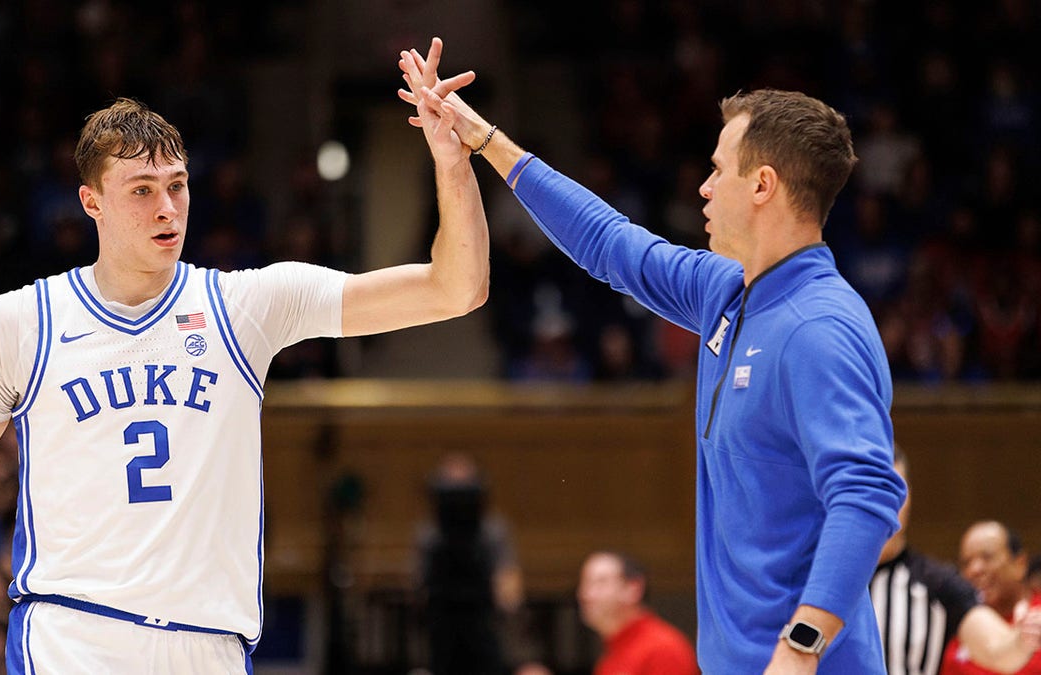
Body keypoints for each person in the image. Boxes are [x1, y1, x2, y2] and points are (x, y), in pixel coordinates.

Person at [0, 72, 490, 674]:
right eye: (142, 189)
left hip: (210, 646)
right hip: (72, 637)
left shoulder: (248, 307)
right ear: (92, 201)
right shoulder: (17, 324)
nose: (167, 208)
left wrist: (451, 162)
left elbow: (455, 289)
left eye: (177, 185)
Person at [398, 38, 907, 673]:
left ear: (763, 186)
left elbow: (867, 495)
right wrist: (483, 139)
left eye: (718, 170)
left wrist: (802, 646)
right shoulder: (728, 291)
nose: (703, 186)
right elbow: (609, 243)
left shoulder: (820, 325)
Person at [871, 448, 1041, 674]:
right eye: (871, 489)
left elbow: (996, 649)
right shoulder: (811, 572)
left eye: (894, 488)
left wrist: (1019, 641)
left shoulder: (937, 582)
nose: (883, 503)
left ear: (909, 497)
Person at [415, 453, 522, 675]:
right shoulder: (430, 535)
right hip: (442, 634)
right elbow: (420, 588)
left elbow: (510, 589)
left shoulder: (493, 532)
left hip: (485, 629)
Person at [942, 521, 1041, 674]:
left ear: (1020, 564)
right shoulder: (954, 624)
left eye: (987, 557)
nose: (974, 570)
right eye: (966, 562)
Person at [577, 550, 697, 675]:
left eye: (600, 583)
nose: (586, 595)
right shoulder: (612, 652)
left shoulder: (662, 649)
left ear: (633, 588)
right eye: (585, 584)